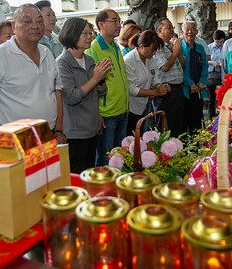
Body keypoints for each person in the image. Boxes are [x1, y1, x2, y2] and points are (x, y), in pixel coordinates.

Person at [0, 4, 65, 140]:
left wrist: (59, 129)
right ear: (13, 26)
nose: (35, 26)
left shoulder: (47, 53)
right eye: (27, 21)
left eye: (39, 21)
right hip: (13, 138)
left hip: (48, 134)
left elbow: (56, 91)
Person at [56, 18, 111, 173]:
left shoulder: (89, 59)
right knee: (76, 176)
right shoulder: (62, 63)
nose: (89, 37)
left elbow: (100, 92)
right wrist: (95, 79)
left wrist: (101, 81)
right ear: (72, 34)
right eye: (85, 33)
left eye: (90, 33)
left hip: (91, 127)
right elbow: (71, 97)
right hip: (75, 132)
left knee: (89, 173)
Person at [85, 9, 129, 166]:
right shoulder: (93, 48)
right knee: (106, 159)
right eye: (114, 21)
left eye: (119, 21)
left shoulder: (116, 48)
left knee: (119, 158)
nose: (118, 25)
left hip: (122, 111)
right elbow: (92, 83)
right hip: (106, 115)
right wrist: (97, 113)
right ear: (101, 25)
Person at [124, 30, 171, 135]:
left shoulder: (151, 59)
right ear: (141, 46)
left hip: (144, 105)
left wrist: (161, 86)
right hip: (130, 107)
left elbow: (154, 77)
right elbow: (131, 89)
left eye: (155, 50)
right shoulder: (129, 61)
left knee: (141, 136)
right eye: (151, 50)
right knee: (130, 139)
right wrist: (155, 93)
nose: (153, 53)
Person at [152, 17, 187, 137]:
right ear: (159, 30)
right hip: (166, 91)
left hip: (177, 89)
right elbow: (165, 67)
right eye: (169, 27)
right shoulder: (157, 46)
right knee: (166, 126)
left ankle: (178, 151)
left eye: (172, 27)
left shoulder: (169, 46)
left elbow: (183, 64)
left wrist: (178, 52)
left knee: (178, 124)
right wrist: (175, 53)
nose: (172, 30)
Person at [181, 20, 208, 134]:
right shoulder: (179, 48)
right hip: (184, 90)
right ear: (182, 32)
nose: (190, 32)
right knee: (184, 121)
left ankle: (196, 147)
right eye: (187, 29)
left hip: (198, 89)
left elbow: (205, 65)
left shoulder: (200, 48)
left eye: (192, 29)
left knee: (197, 121)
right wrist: (190, 83)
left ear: (197, 31)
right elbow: (179, 69)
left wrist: (202, 81)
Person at [207, 30, 225, 119]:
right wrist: (212, 63)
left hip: (222, 75)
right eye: (217, 42)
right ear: (214, 39)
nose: (219, 44)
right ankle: (211, 116)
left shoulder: (225, 47)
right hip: (211, 76)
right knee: (211, 98)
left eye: (221, 42)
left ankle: (221, 115)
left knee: (222, 97)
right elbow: (204, 60)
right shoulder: (209, 47)